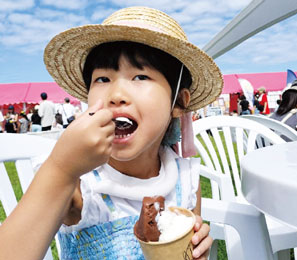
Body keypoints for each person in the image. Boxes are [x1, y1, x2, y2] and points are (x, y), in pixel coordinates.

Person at [0, 6, 223, 260]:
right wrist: (61, 169)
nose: (116, 95)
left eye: (140, 77)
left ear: (179, 103)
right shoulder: (79, 186)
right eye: (103, 79)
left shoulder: (186, 180)